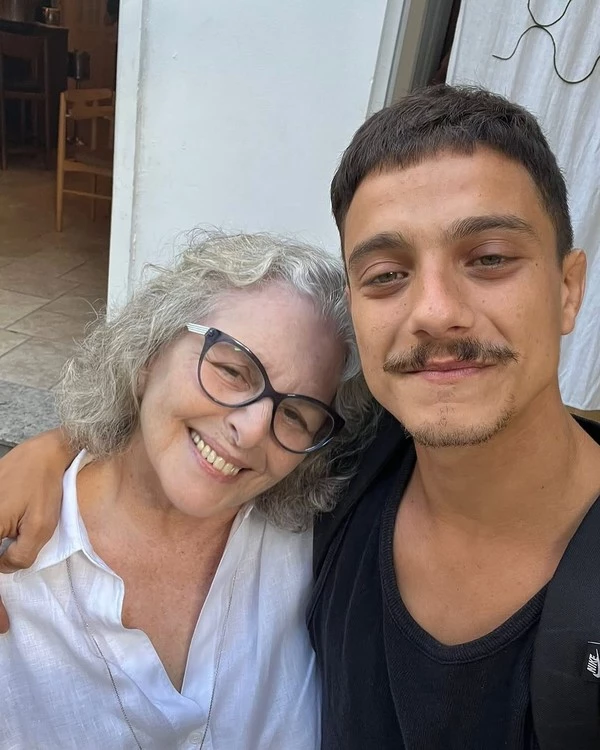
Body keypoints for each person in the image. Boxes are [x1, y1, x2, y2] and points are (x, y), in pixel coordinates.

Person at [2, 85, 600, 748]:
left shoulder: (313, 495)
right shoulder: (346, 484)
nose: (434, 311)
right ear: (146, 352)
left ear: (568, 288)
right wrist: (55, 448)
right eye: (387, 274)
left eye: (489, 258)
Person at [0, 231, 376, 749]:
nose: (252, 430)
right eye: (232, 371)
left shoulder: (320, 547)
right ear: (149, 352)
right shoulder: (17, 564)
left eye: (296, 414)